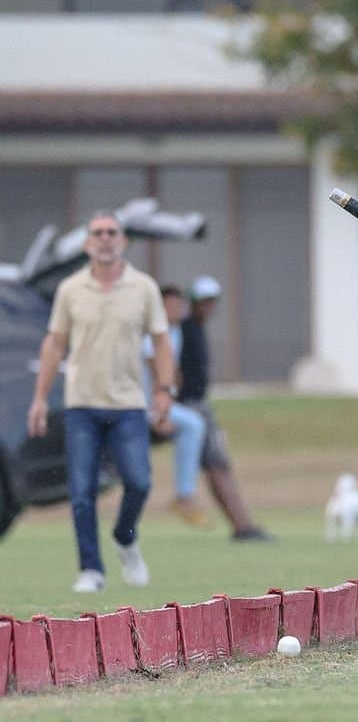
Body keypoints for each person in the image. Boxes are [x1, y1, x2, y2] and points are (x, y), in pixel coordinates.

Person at [27, 211, 174, 592]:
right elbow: (55, 343)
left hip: (127, 404)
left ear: (122, 241)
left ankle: (125, 538)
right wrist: (40, 398)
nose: (105, 238)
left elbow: (160, 342)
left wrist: (164, 389)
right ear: (88, 243)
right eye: (98, 233)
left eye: (112, 232)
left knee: (139, 482)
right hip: (82, 404)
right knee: (81, 492)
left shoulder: (143, 288)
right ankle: (91, 569)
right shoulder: (71, 289)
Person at [179, 275, 271, 541]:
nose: (208, 307)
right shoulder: (185, 330)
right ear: (193, 303)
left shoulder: (196, 329)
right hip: (190, 407)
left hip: (199, 405)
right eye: (203, 302)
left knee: (218, 465)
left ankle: (241, 525)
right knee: (218, 465)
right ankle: (241, 526)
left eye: (211, 302)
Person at [143, 285, 209, 527]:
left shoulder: (178, 332)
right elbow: (155, 369)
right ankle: (184, 496)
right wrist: (161, 411)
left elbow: (173, 372)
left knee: (193, 425)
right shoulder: (151, 332)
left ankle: (184, 496)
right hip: (139, 404)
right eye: (169, 306)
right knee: (192, 425)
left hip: (161, 401)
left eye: (177, 306)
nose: (174, 310)